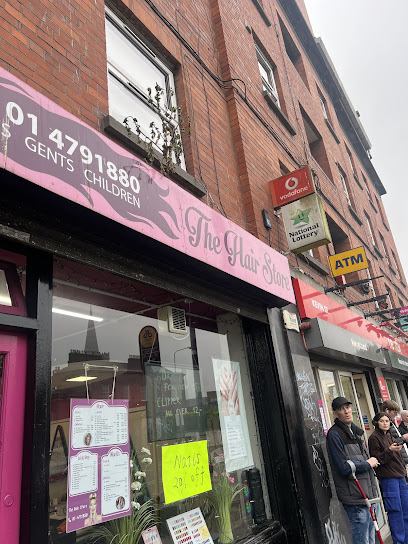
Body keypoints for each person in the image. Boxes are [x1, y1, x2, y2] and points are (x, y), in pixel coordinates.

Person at [326, 397, 379, 544]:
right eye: (341, 409)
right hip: (355, 497)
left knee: (370, 539)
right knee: (362, 540)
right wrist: (367, 464)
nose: (346, 411)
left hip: (369, 495)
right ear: (335, 414)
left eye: (348, 407)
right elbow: (343, 467)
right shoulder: (334, 434)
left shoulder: (356, 432)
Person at [369, 412, 408, 544]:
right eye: (382, 421)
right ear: (376, 423)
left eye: (387, 421)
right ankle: (399, 541)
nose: (385, 423)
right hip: (389, 478)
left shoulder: (390, 435)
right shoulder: (374, 438)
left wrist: (404, 473)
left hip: (400, 476)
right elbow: (376, 459)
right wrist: (390, 450)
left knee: (406, 509)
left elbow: (399, 458)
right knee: (395, 511)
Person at [382, 400, 408, 465]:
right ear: (387, 410)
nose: (396, 414)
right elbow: (390, 443)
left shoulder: (392, 423)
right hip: (397, 460)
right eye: (395, 411)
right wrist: (404, 438)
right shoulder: (387, 426)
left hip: (401, 458)